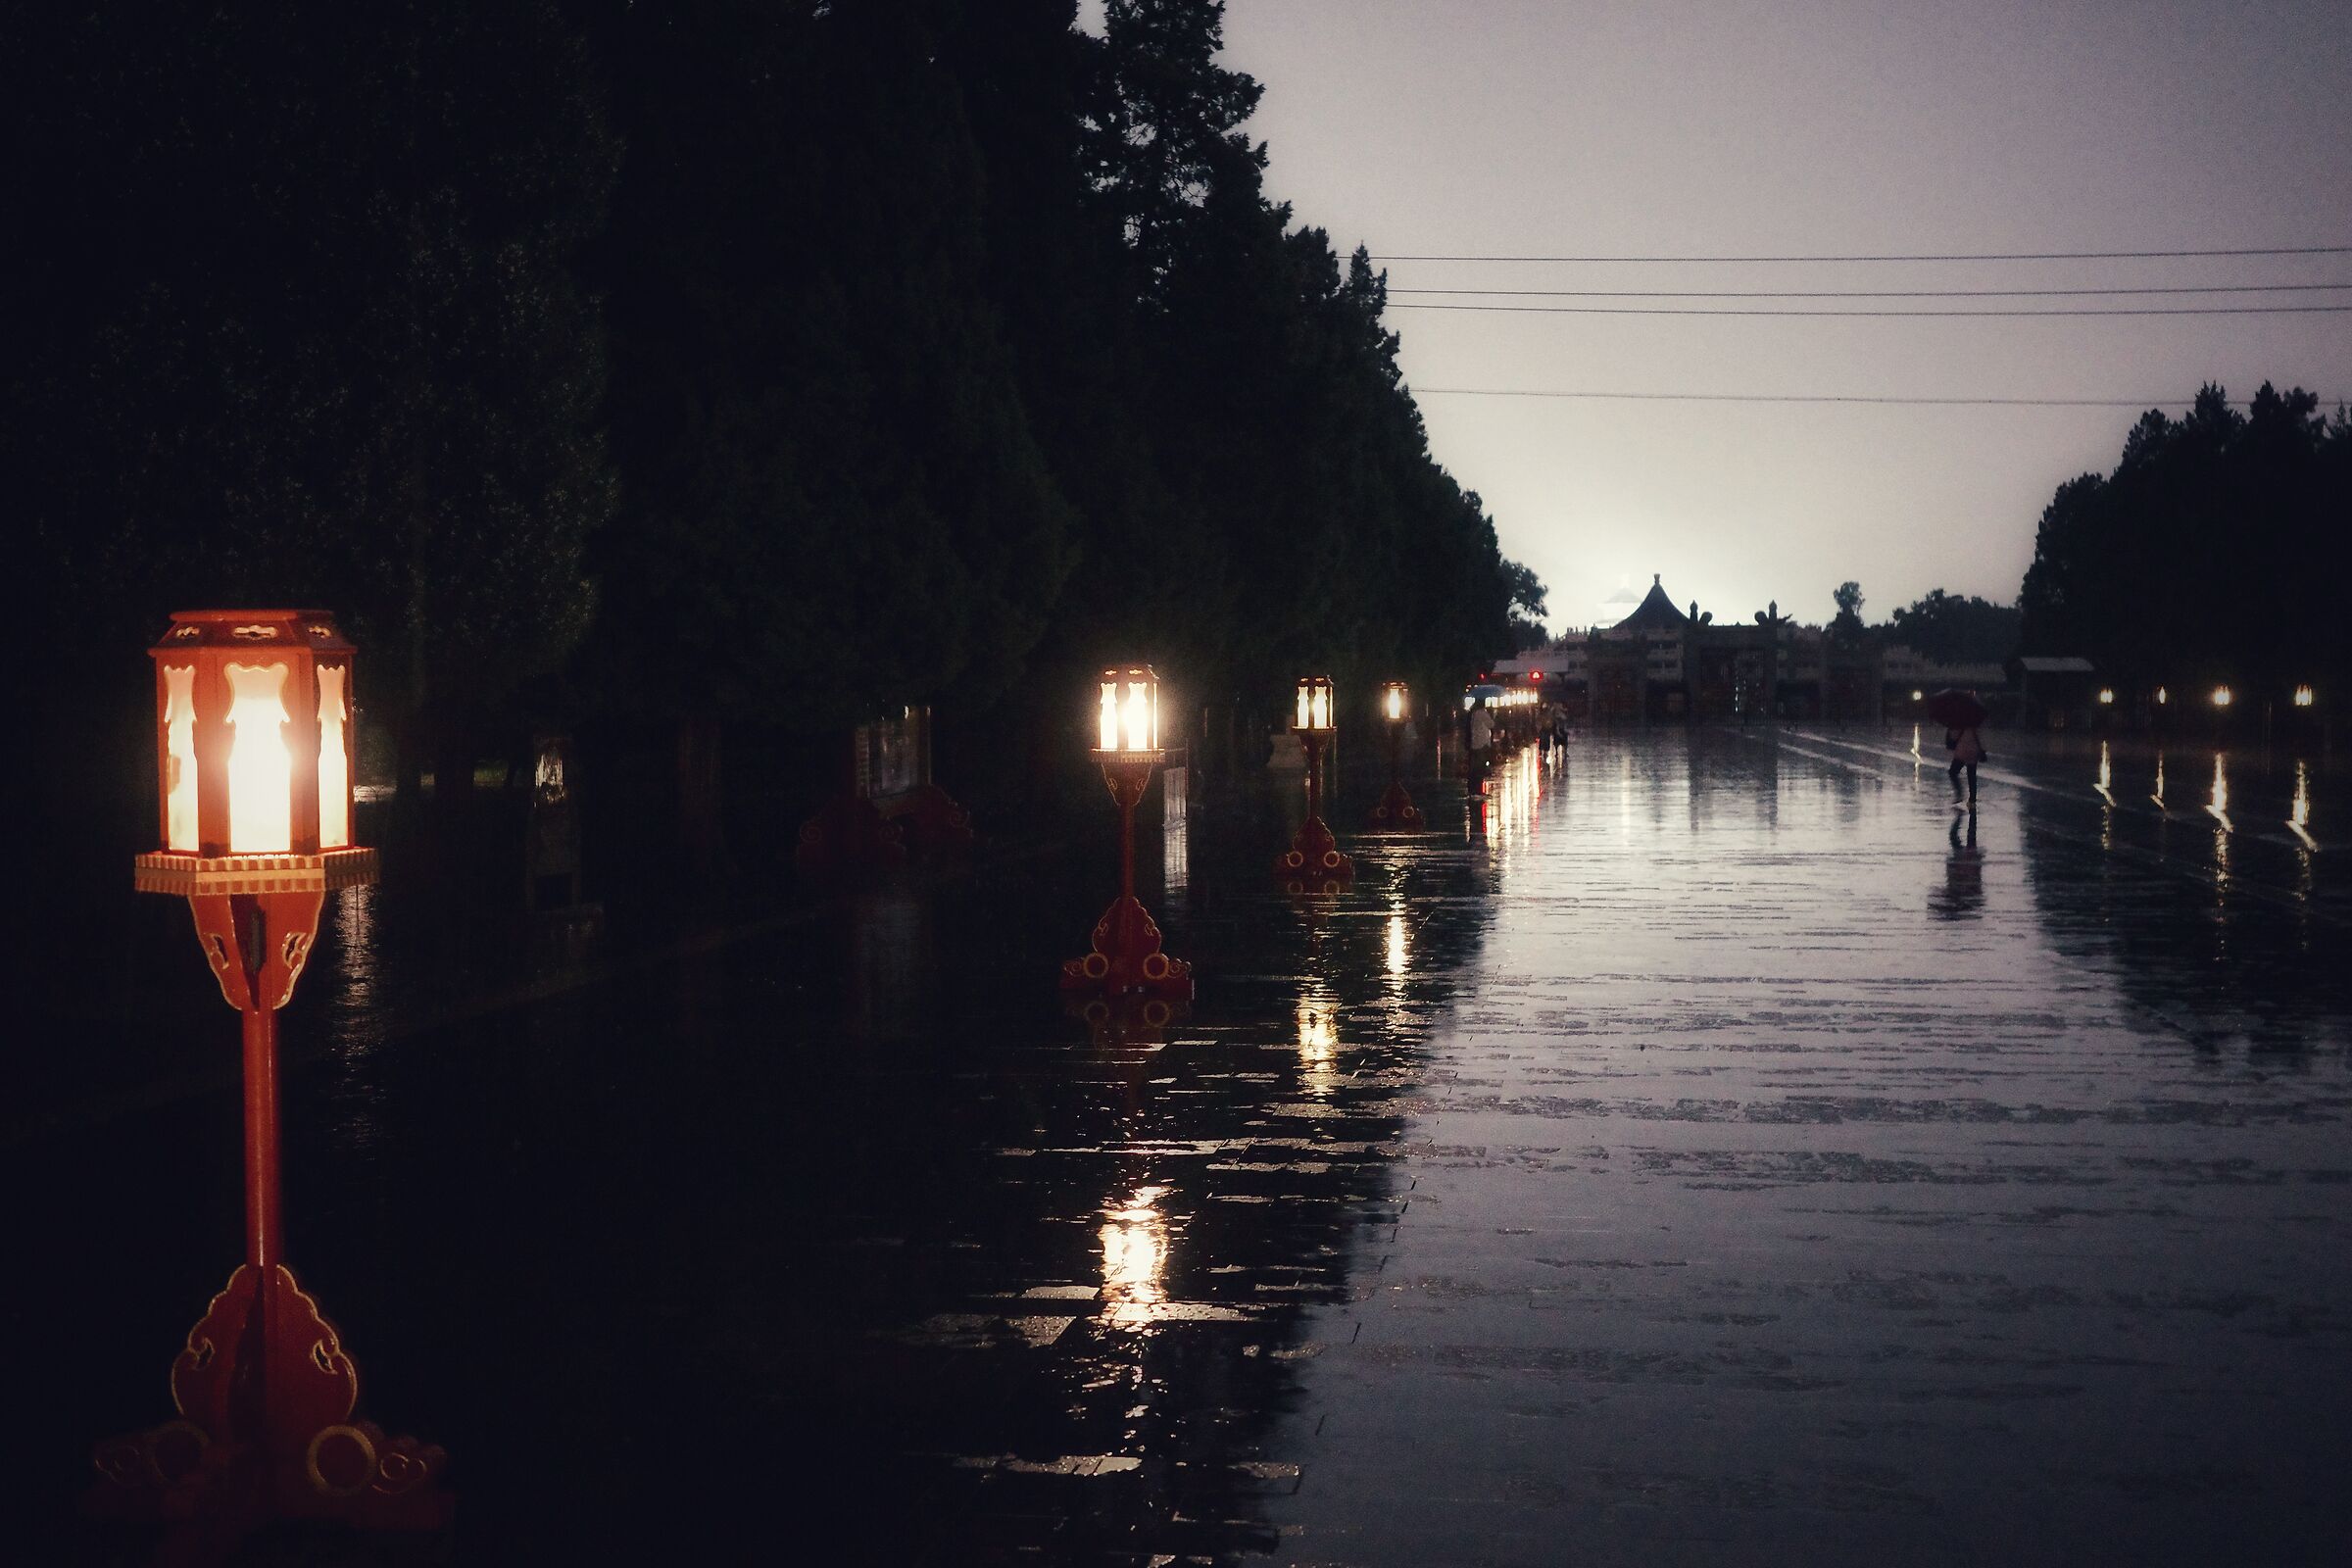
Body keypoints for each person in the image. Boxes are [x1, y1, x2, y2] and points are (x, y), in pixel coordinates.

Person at [1945, 711, 1986, 805]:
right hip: (1974, 752)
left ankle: (1959, 793)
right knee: (1971, 775)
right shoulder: (1976, 726)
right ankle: (1972, 799)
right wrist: (1982, 750)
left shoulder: (1959, 724)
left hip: (1962, 752)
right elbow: (1981, 739)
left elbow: (1953, 737)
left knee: (1953, 772)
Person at [1467, 696, 1494, 783]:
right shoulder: (1482, 713)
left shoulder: (1473, 713)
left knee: (1476, 759)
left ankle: (1474, 776)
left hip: (1475, 740)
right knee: (1481, 759)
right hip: (1483, 741)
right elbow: (1491, 724)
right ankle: (1479, 776)